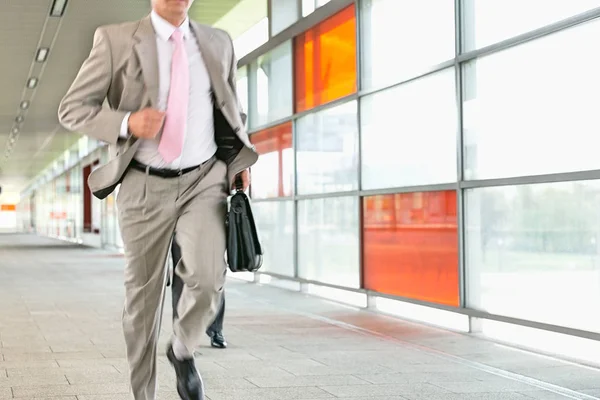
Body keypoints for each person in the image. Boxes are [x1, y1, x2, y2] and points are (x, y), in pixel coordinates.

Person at [57, 0, 257, 398]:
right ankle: (143, 394)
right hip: (143, 183)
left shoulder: (218, 43)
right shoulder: (114, 40)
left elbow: (230, 105)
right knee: (143, 303)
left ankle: (182, 350)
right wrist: (127, 122)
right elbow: (73, 108)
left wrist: (237, 160)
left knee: (207, 278)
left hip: (204, 178)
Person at [170, 237, 227, 349]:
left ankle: (215, 328)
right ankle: (181, 335)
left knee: (214, 275)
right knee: (181, 276)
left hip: (210, 224)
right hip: (176, 224)